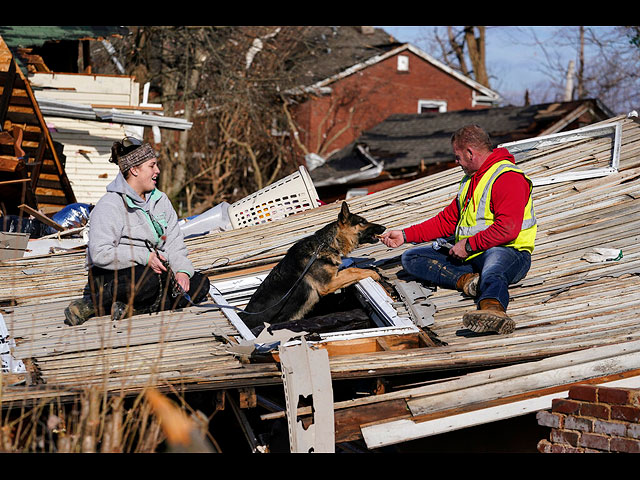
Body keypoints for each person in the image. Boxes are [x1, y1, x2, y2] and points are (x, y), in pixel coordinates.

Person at [380, 125, 536, 335]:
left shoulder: (508, 177)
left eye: (457, 156)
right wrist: (405, 235)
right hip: (473, 254)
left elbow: (507, 229)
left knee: (494, 267)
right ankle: (469, 282)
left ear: (470, 152)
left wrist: (469, 245)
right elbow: (446, 221)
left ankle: (493, 309)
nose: (456, 162)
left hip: (510, 253)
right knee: (411, 258)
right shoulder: (470, 180)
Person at [64, 137, 210, 326]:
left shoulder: (161, 201)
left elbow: (174, 242)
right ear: (134, 169)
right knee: (146, 281)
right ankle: (91, 304)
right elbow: (100, 253)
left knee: (200, 283)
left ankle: (135, 309)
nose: (157, 171)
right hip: (112, 275)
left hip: (155, 272)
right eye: (152, 166)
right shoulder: (109, 205)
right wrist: (145, 257)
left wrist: (182, 272)